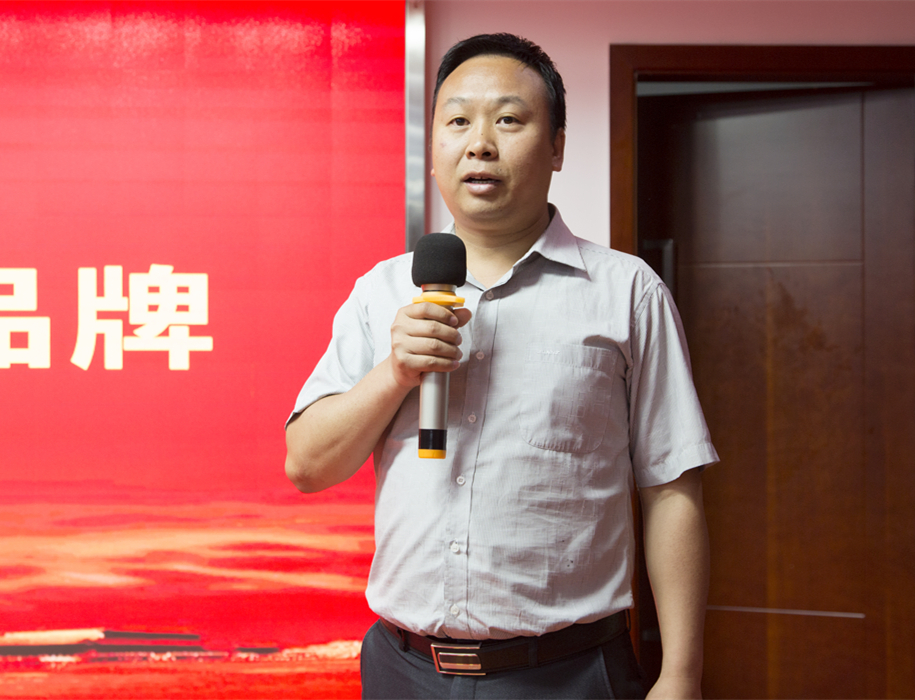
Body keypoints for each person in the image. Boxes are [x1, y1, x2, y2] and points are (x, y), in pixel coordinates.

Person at [285, 33, 718, 700]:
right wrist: (394, 373)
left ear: (557, 147)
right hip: (404, 671)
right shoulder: (381, 292)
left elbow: (670, 488)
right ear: (434, 148)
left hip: (569, 673)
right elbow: (307, 465)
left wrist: (681, 674)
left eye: (508, 120)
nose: (479, 144)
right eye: (457, 121)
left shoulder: (627, 293)